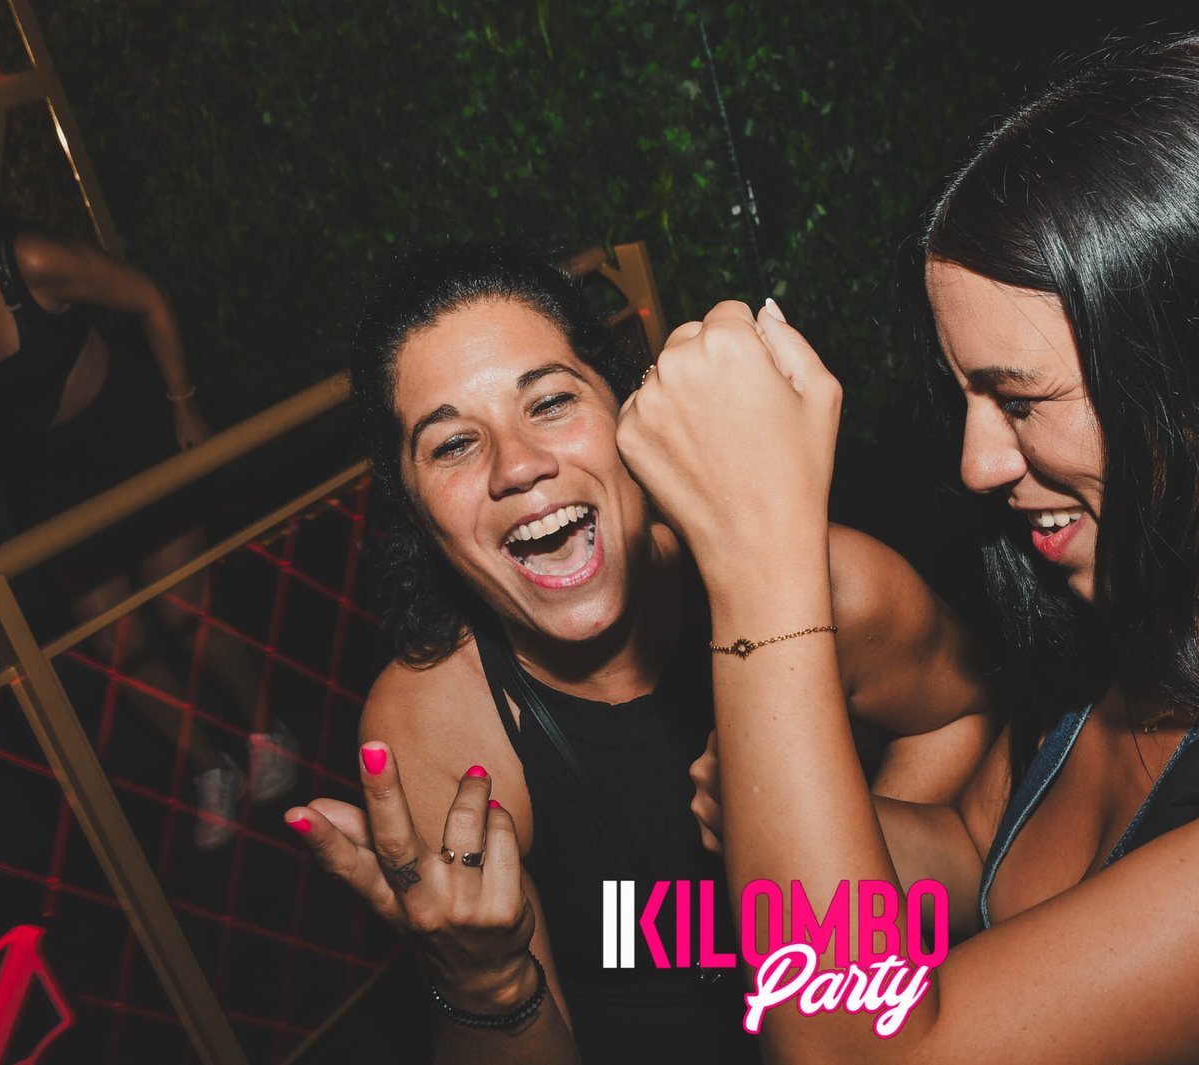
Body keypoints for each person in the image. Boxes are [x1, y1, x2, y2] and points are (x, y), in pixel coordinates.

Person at [620, 36, 1199, 1065]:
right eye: (966, 396)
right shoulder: (1139, 612)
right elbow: (993, 857)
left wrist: (760, 565)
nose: (978, 463)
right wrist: (786, 806)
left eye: (1019, 399)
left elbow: (865, 1051)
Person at [285, 243, 997, 1063]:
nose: (518, 465)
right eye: (452, 445)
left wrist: (837, 851)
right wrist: (490, 987)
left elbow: (967, 715)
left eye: (550, 401)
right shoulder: (441, 725)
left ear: (629, 410)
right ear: (417, 514)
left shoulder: (814, 586)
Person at [0, 188, 295, 848]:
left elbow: (148, 296)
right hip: (47, 484)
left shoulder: (28, 260)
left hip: (123, 439)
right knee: (117, 648)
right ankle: (211, 767)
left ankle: (268, 731)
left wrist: (184, 403)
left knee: (185, 616)